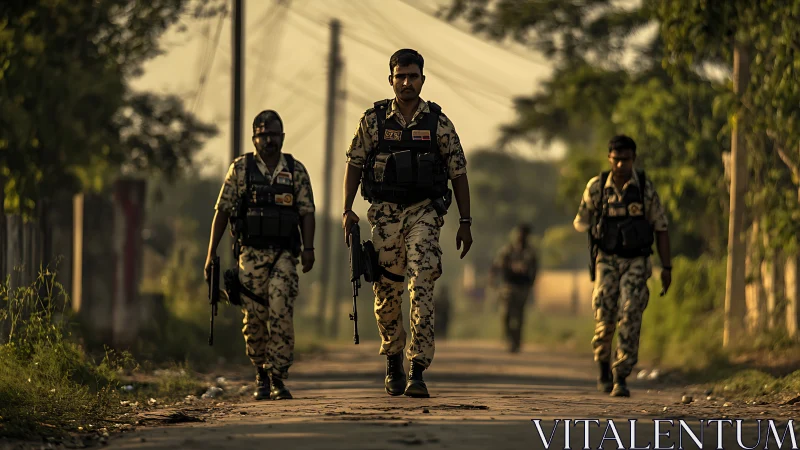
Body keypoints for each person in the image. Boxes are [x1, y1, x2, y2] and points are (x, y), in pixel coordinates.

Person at [341, 48, 473, 398]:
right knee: (386, 294)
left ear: (422, 80)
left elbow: (458, 171)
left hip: (424, 213)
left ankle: (417, 368)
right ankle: (393, 358)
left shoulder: (437, 123)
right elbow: (354, 162)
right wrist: (346, 208)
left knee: (422, 284)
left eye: (413, 76)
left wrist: (465, 221)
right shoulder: (374, 120)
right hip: (384, 215)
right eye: (400, 76)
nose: (406, 82)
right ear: (391, 80)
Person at [204, 110, 316, 401]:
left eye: (274, 135)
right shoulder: (240, 170)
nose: (269, 140)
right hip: (250, 256)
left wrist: (308, 249)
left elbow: (306, 212)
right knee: (254, 319)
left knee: (281, 310)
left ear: (282, 136)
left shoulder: (295, 170)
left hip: (283, 255)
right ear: (254, 138)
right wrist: (210, 253)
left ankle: (278, 377)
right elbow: (222, 211)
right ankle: (261, 374)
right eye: (263, 135)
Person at [573, 134, 672, 397]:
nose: (620, 166)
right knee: (604, 317)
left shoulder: (644, 188)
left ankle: (621, 374)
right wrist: (597, 225)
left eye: (625, 160)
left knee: (630, 313)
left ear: (633, 159)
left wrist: (667, 267)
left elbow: (661, 227)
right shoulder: (596, 187)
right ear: (609, 158)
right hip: (606, 259)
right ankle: (603, 366)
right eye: (616, 160)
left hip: (636, 260)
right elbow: (580, 221)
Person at [489, 224, 539, 353]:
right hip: (508, 287)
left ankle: (516, 341)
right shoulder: (508, 250)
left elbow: (534, 270)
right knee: (506, 315)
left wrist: (530, 284)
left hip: (522, 287)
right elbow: (497, 265)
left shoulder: (530, 252)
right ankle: (510, 339)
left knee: (519, 316)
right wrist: (493, 280)